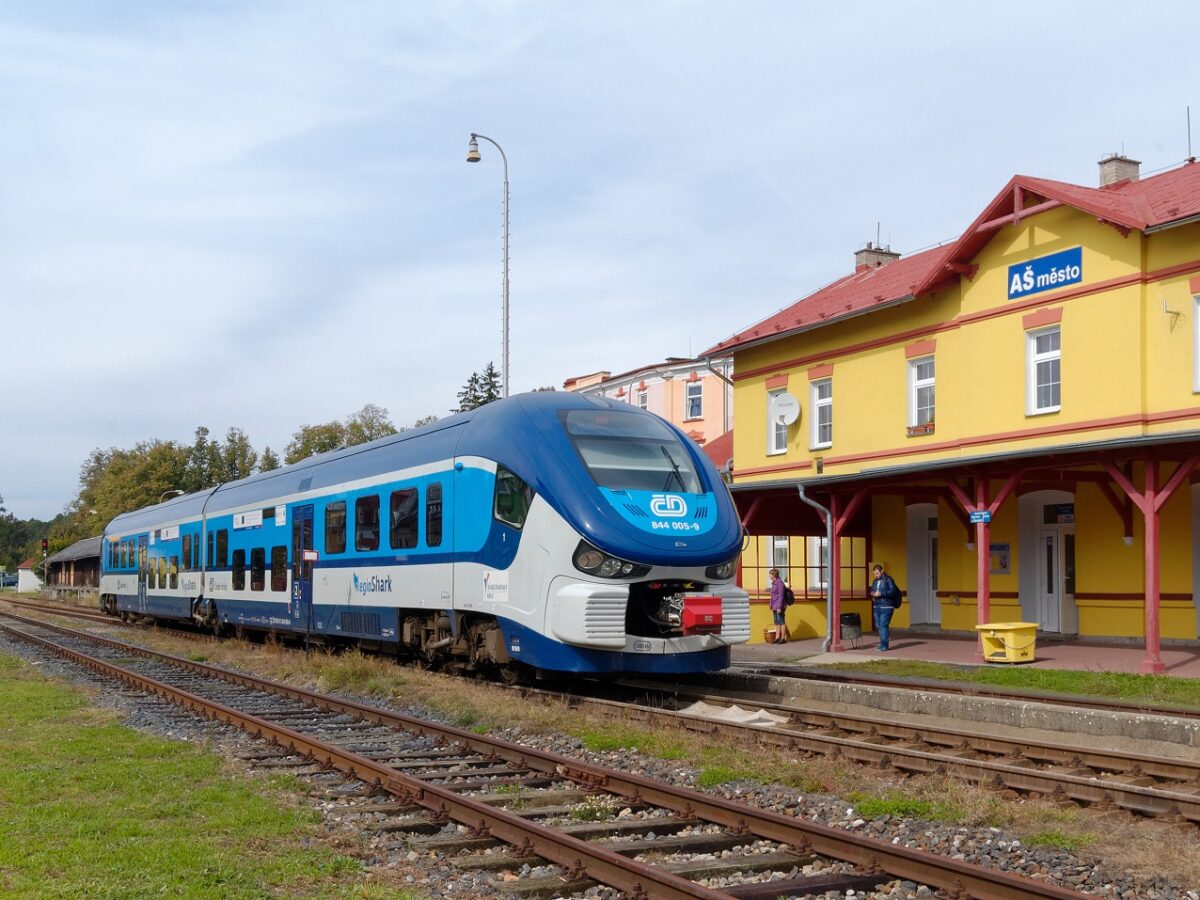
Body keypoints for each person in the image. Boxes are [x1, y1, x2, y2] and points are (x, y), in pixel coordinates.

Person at [869, 563, 898, 652]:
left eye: (877, 573)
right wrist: (873, 594)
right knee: (879, 625)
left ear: (882, 571)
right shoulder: (875, 581)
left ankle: (884, 645)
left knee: (883, 626)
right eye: (874, 574)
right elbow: (872, 590)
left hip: (886, 606)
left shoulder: (888, 580)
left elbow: (892, 591)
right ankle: (885, 637)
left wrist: (881, 594)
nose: (876, 575)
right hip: (877, 605)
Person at [768, 568, 789, 644]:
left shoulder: (779, 583)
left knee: (781, 621)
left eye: (770, 574)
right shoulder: (774, 583)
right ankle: (777, 637)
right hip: (774, 605)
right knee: (776, 622)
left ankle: (783, 638)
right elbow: (773, 595)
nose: (769, 576)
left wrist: (779, 607)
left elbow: (781, 596)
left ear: (774, 575)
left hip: (779, 605)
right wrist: (770, 604)